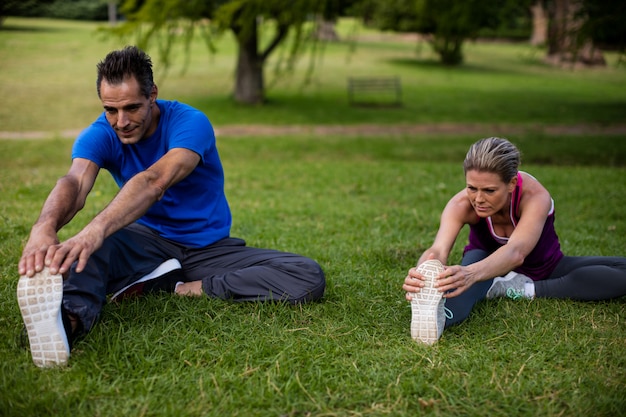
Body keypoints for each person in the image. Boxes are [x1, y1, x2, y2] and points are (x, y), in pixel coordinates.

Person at [17, 46, 326, 368]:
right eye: (110, 109)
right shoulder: (102, 133)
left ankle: (177, 286)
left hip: (208, 249)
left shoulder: (191, 122)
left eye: (132, 107)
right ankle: (66, 324)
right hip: (145, 240)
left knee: (306, 275)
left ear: (153, 95)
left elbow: (154, 181)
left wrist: (95, 230)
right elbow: (75, 182)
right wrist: (44, 228)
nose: (121, 122)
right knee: (83, 254)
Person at [403, 137, 626, 345]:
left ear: (511, 183)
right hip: (483, 262)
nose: (478, 199)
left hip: (542, 267)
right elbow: (438, 249)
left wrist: (469, 274)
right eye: (472, 188)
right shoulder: (461, 203)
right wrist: (422, 273)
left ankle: (522, 289)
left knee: (616, 272)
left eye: (489, 190)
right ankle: (439, 314)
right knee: (458, 293)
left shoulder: (535, 197)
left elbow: (516, 252)